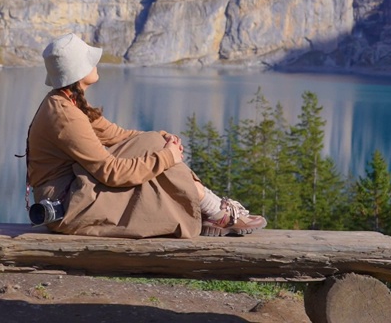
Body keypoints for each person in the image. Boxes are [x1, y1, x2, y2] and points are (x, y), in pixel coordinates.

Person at [25, 32, 266, 239]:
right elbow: (111, 172)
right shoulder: (65, 115)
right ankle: (213, 210)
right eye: (89, 60)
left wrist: (162, 138)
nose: (95, 64)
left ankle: (210, 208)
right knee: (158, 163)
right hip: (67, 205)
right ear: (78, 71)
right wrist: (167, 157)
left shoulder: (70, 101)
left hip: (75, 190)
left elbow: (117, 136)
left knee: (154, 143)